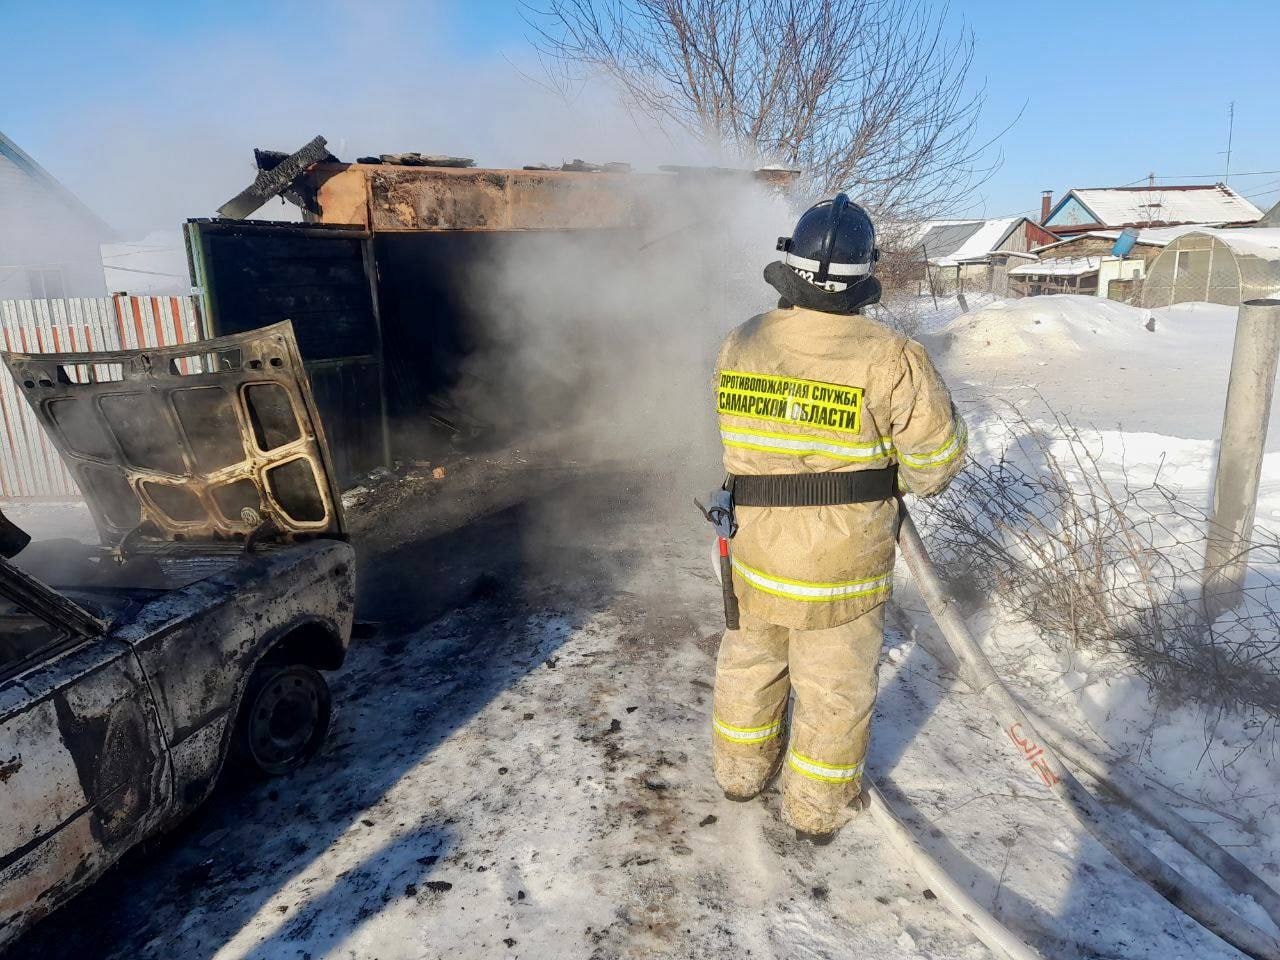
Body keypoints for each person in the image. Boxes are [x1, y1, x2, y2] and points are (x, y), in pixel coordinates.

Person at [710, 194, 966, 843]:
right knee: (834, 688)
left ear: (789, 265)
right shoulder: (892, 356)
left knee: (750, 663)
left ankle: (740, 772)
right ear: (865, 277)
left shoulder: (742, 341)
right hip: (841, 567)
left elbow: (738, 436)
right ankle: (815, 811)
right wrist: (887, 482)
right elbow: (936, 460)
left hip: (755, 549)